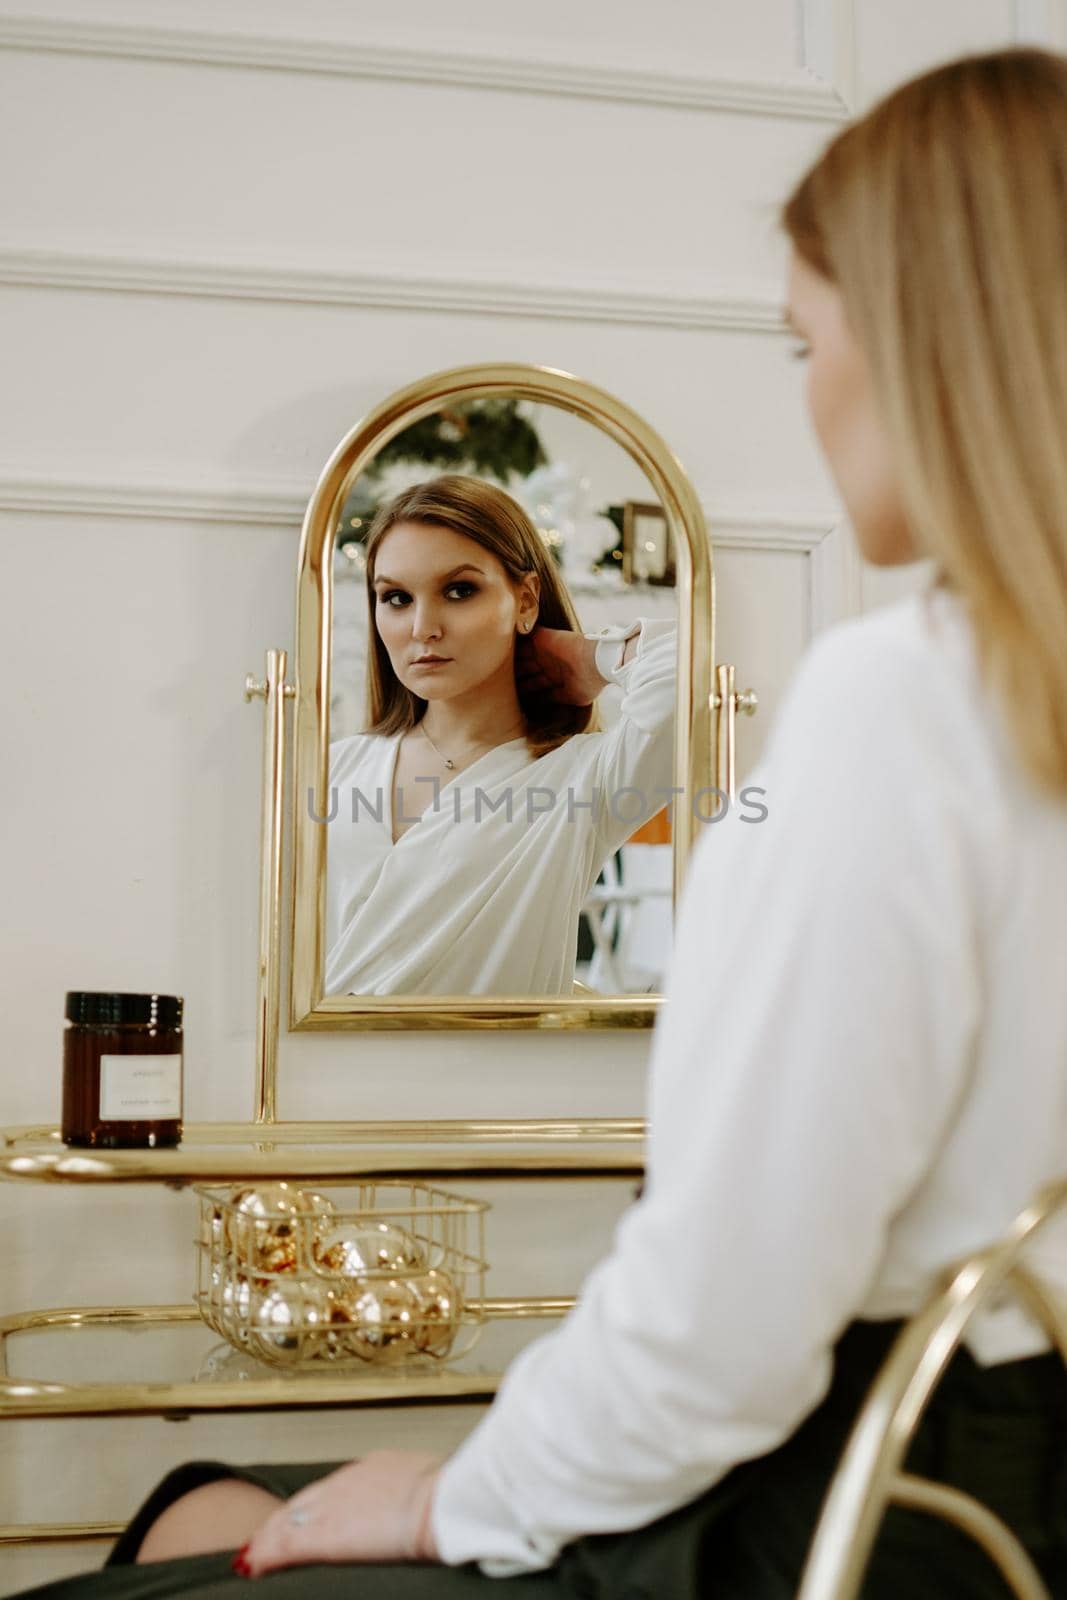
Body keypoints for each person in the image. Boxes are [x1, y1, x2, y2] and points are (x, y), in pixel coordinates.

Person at [19, 43, 1067, 1600]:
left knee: (195, 1541)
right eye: (389, 600)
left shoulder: (890, 705)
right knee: (210, 1493)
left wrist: (457, 1498)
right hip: (999, 1499)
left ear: (923, 345)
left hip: (824, 1527)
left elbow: (720, 1330)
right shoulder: (365, 781)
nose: (813, 399)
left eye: (806, 349)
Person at [323, 474, 676, 996]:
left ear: (526, 599)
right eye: (396, 598)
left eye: (459, 591)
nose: (422, 626)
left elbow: (696, 671)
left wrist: (592, 658)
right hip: (332, 1074)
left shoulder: (586, 778)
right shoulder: (336, 767)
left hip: (505, 1075)